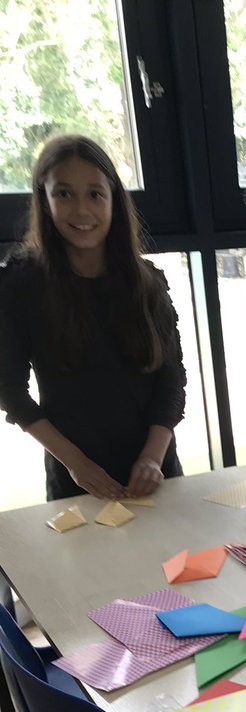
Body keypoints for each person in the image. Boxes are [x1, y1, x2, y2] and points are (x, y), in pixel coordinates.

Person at [0, 135, 186, 502]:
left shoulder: (148, 282)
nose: (82, 210)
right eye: (65, 194)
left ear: (114, 199)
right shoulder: (19, 283)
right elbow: (11, 392)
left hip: (156, 476)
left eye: (95, 194)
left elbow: (171, 382)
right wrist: (76, 464)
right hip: (76, 481)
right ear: (44, 198)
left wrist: (152, 457)